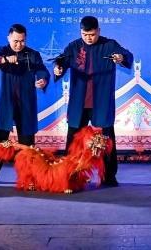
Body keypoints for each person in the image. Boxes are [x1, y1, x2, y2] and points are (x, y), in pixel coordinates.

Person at [53, 16, 133, 187]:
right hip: (79, 103)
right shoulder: (74, 46)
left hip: (101, 102)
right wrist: (58, 69)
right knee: (73, 141)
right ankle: (70, 175)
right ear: (80, 32)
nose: (88, 38)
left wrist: (121, 58)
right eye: (85, 35)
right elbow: (61, 62)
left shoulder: (109, 45)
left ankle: (108, 176)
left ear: (99, 31)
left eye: (92, 34)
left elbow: (127, 56)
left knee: (106, 140)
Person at [0, 23, 50, 184]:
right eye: (16, 41)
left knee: (27, 143)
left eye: (22, 41)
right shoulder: (2, 51)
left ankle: (29, 176)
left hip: (26, 103)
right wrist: (4, 59)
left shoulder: (33, 54)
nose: (19, 44)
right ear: (9, 38)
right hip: (5, 103)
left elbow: (42, 70)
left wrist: (42, 80)